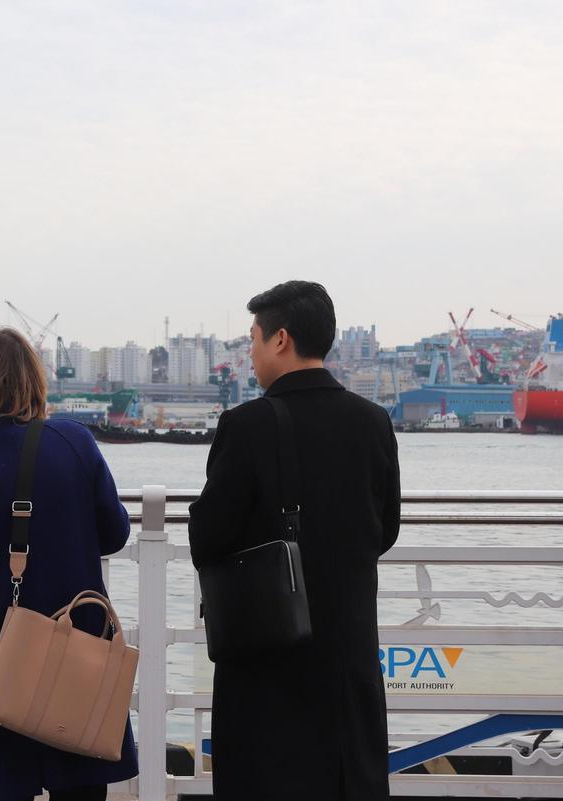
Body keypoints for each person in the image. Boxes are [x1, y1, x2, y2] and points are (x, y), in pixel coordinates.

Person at [188, 281, 401, 801]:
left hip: (268, 652)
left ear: (280, 339)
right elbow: (386, 528)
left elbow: (208, 537)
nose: (251, 355)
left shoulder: (246, 426)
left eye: (254, 341)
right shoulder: (373, 422)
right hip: (348, 650)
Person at [0, 328, 138, 801]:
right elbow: (115, 534)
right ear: (32, 382)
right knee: (76, 776)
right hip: (72, 644)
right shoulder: (76, 443)